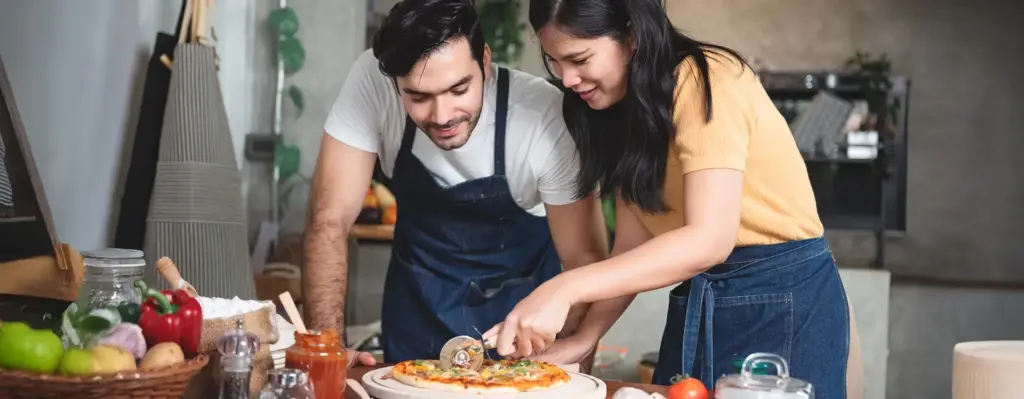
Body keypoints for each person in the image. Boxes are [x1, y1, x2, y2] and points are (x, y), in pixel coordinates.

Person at [483, 0, 862, 397]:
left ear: (631, 36)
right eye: (556, 63)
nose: (568, 79)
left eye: (579, 59)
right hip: (702, 300)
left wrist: (562, 288)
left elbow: (710, 239)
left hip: (783, 302)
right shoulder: (621, 110)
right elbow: (632, 246)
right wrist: (586, 337)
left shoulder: (706, 78)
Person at [304, 0, 608, 366]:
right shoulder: (373, 80)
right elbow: (328, 220)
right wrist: (326, 354)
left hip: (520, 343)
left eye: (458, 89)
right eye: (418, 97)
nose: (442, 116)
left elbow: (584, 262)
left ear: (484, 61)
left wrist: (567, 376)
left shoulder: (544, 117)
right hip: (413, 323)